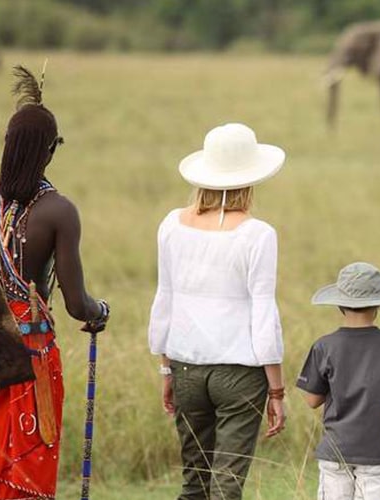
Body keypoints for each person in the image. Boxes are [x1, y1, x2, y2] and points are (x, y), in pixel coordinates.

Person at [0, 65, 110, 500]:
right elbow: (76, 304)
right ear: (50, 152)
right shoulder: (58, 211)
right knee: (25, 476)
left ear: (7, 143)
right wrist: (100, 312)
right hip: (29, 359)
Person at [148, 123, 287, 500]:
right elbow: (263, 314)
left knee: (194, 481)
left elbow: (165, 299)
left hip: (186, 368)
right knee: (227, 486)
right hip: (241, 374)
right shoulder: (259, 234)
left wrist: (166, 367)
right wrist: (277, 390)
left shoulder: (171, 225)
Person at [297, 262, 380, 500]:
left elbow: (312, 400)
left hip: (336, 451)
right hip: (378, 452)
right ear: (378, 305)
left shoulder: (323, 346)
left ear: (339, 305)